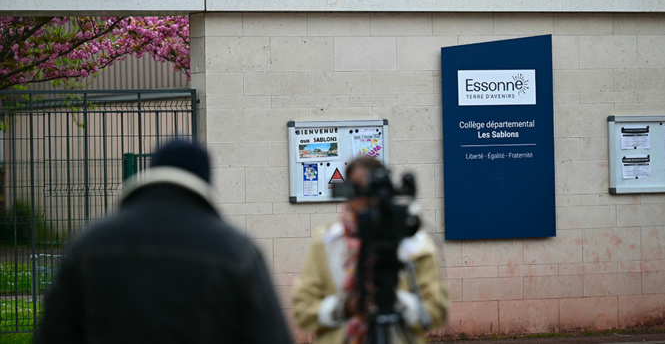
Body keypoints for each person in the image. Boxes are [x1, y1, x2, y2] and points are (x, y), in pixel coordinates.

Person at [36, 139, 292, 344]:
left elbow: (53, 334)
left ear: (153, 172)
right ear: (205, 182)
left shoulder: (89, 245)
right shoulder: (236, 251)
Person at [292, 156, 448, 344]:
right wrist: (345, 307)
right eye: (358, 190)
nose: (365, 200)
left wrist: (392, 302)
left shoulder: (416, 245)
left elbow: (436, 311)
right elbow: (303, 310)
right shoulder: (326, 243)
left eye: (372, 191)